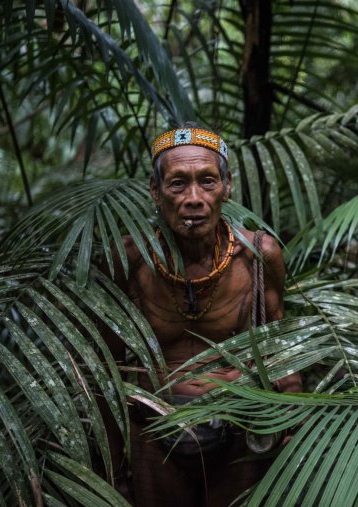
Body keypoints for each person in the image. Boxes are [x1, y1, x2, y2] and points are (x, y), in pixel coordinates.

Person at [104, 124, 301, 506]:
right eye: (178, 184)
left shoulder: (259, 256)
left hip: (239, 432)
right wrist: (112, 466)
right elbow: (105, 368)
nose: (194, 198)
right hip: (152, 435)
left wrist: (290, 428)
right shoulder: (129, 260)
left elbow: (282, 355)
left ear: (227, 187)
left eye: (207, 181)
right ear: (155, 192)